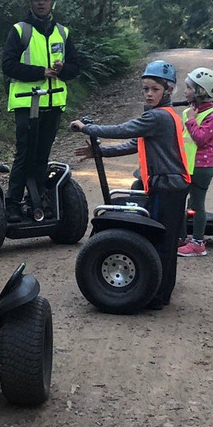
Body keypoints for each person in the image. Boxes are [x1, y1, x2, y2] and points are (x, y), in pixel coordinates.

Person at [70, 60, 190, 309]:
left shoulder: (158, 117)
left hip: (169, 186)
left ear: (168, 90)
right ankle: (160, 291)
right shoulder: (160, 116)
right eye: (145, 88)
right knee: (162, 240)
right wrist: (100, 152)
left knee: (163, 242)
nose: (148, 94)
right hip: (166, 185)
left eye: (154, 89)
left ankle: (158, 296)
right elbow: (136, 143)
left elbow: (123, 129)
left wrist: (86, 128)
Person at [1, 0, 81, 221]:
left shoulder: (62, 33)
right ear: (31, 2)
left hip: (53, 102)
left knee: (42, 154)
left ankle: (39, 200)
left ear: (52, 3)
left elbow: (76, 67)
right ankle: (12, 203)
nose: (41, 3)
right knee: (24, 153)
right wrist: (40, 72)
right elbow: (8, 65)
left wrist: (62, 69)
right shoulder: (20, 31)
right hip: (27, 102)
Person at [178, 67, 213, 258]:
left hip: (203, 167)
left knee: (197, 204)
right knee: (178, 202)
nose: (185, 91)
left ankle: (197, 243)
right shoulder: (189, 112)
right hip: (187, 165)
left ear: (200, 91)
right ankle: (180, 239)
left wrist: (191, 120)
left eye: (188, 88)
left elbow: (200, 138)